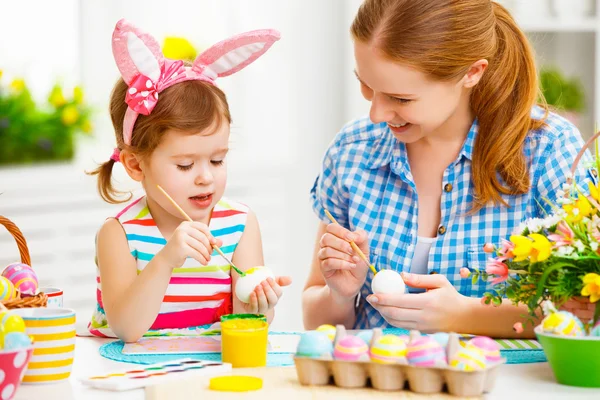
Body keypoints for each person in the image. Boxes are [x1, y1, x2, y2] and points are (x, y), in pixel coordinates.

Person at [303, 0, 596, 338]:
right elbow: (317, 319)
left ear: (472, 72)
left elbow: (585, 309)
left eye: (401, 99)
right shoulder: (352, 150)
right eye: (367, 85)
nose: (377, 114)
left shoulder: (547, 149)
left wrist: (466, 316)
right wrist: (340, 293)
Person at [87, 19, 291, 342]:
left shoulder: (239, 225)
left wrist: (259, 305)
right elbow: (126, 328)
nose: (206, 177)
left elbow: (244, 324)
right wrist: (167, 258)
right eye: (185, 165)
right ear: (135, 166)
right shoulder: (119, 234)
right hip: (128, 376)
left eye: (217, 159)